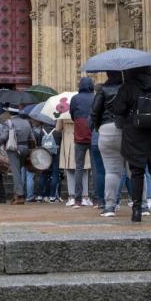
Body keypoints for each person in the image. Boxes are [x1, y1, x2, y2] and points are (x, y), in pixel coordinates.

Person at [111, 67, 151, 223]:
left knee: (137, 172)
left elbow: (117, 109)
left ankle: (137, 210)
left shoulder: (128, 87)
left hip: (134, 136)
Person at [91, 71, 123, 217]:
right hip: (128, 131)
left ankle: (109, 207)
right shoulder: (128, 88)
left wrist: (99, 127)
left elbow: (95, 112)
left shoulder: (103, 90)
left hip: (107, 129)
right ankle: (142, 205)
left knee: (111, 171)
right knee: (135, 170)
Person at [69, 77, 95, 207]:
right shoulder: (95, 97)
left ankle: (77, 199)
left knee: (79, 167)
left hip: (79, 136)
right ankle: (97, 199)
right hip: (94, 135)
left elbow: (73, 116)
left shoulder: (75, 99)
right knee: (96, 168)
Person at [6, 106, 34, 204]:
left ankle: (20, 196)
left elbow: (3, 136)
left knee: (16, 173)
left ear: (10, 113)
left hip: (14, 149)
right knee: (18, 172)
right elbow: (32, 138)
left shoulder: (9, 122)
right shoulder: (27, 122)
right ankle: (16, 195)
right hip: (25, 148)